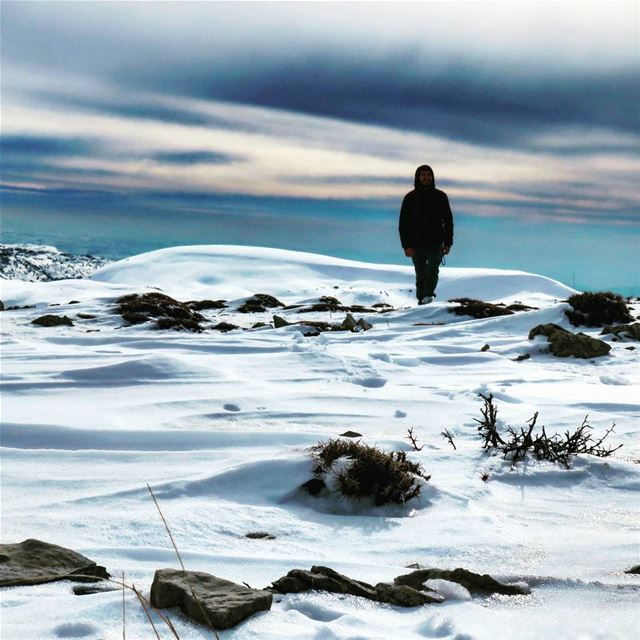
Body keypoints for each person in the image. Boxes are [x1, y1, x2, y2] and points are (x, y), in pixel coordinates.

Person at [399, 164, 454, 305]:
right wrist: (406, 246)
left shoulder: (441, 197)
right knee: (421, 274)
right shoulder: (410, 198)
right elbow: (403, 224)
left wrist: (448, 242)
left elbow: (448, 221)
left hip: (436, 242)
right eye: (423, 175)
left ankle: (428, 295)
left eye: (429, 175)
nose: (426, 177)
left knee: (432, 270)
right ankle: (422, 300)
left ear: (432, 177)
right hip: (416, 244)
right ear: (418, 177)